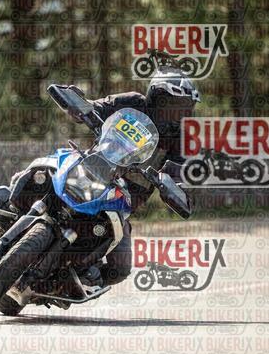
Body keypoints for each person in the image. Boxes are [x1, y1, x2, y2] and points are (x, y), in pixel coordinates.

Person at [78, 66, 201, 285]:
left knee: (120, 268)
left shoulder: (180, 139)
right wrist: (79, 103)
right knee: (45, 170)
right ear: (155, 97)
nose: (175, 115)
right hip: (90, 172)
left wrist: (177, 188)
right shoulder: (132, 103)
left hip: (119, 204)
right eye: (171, 106)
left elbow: (182, 175)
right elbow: (95, 107)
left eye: (182, 109)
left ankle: (79, 282)